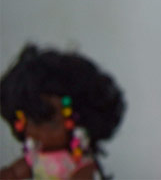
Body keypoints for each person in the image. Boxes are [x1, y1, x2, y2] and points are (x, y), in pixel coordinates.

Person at [0, 44, 125, 180]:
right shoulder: (34, 157)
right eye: (30, 122)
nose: (38, 132)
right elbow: (13, 173)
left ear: (79, 122)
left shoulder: (78, 160)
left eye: (52, 124)